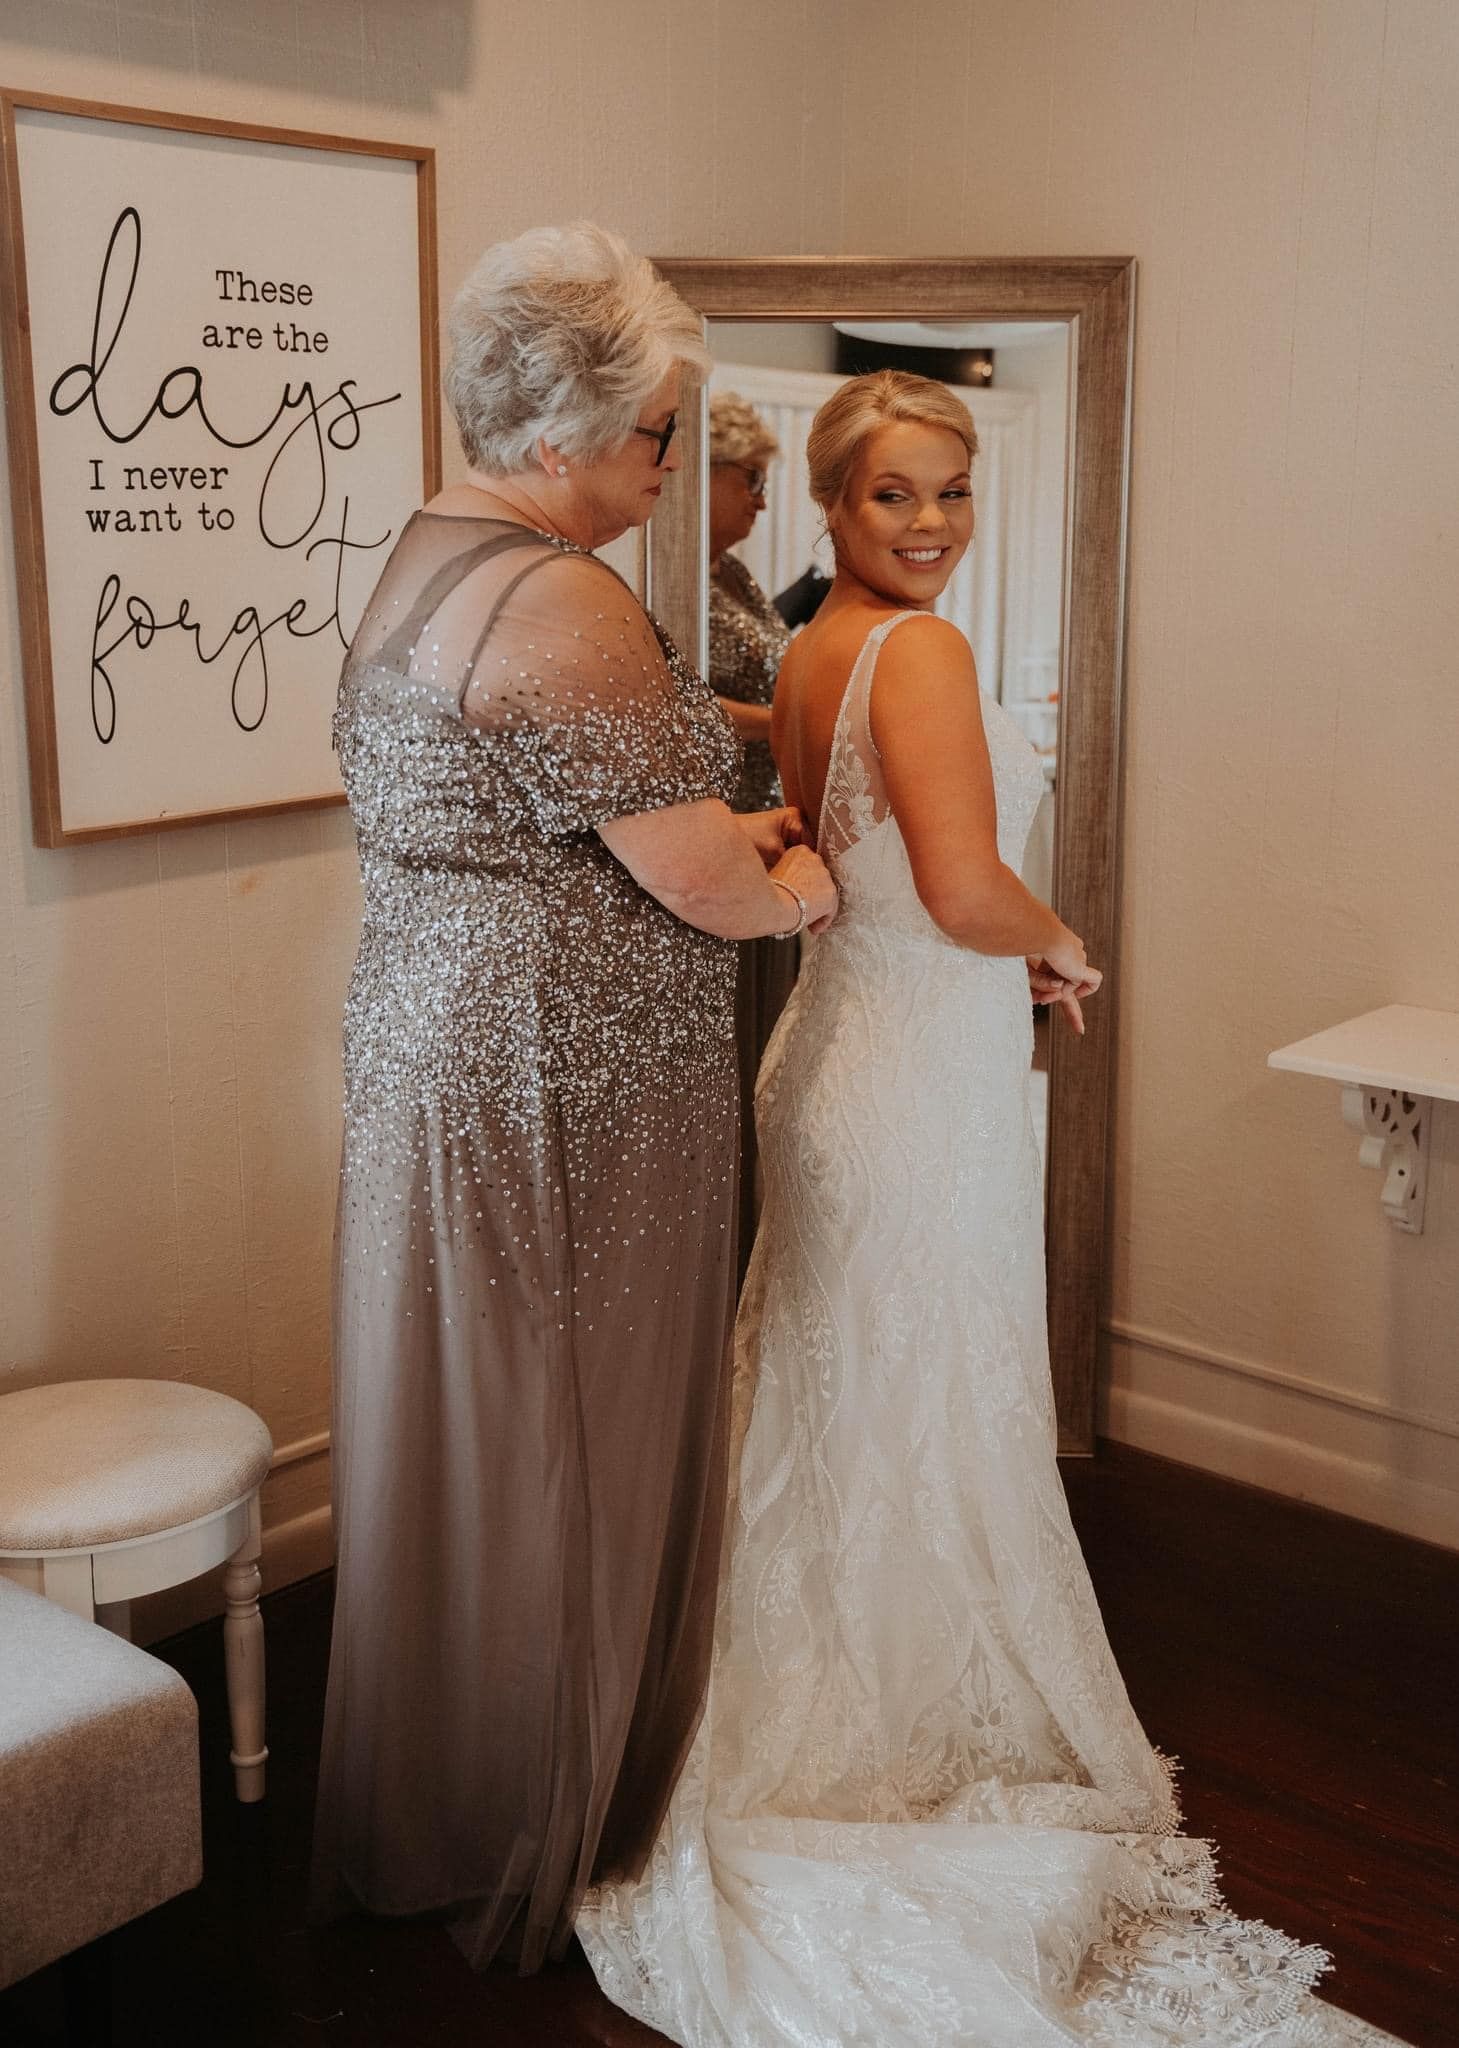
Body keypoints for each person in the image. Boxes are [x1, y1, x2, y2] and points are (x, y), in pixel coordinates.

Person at [578, 371, 1400, 2046]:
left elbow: (870, 858)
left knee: (842, 1389)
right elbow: (955, 885)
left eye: (950, 492)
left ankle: (816, 1683)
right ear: (828, 499)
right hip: (902, 1082)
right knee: (896, 1384)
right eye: (893, 496)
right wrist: (1063, 931)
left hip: (845, 1053)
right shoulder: (921, 650)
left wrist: (996, 931)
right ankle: (872, 1716)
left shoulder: (810, 643)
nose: (931, 525)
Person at [309, 223, 837, 1977]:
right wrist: (818, 884)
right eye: (653, 431)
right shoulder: (560, 594)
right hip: (556, 1082)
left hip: (433, 1042)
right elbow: (699, 882)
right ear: (560, 436)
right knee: (569, 1432)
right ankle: (555, 1798)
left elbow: (583, 804)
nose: (667, 462)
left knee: (473, 1423)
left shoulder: (429, 551)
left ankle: (468, 1786)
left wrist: (731, 811)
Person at [706, 392, 796, 1280]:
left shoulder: (733, 576)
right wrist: (786, 722)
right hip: (715, 826)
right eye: (751, 481)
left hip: (772, 818)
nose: (761, 502)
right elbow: (680, 704)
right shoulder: (670, 582)